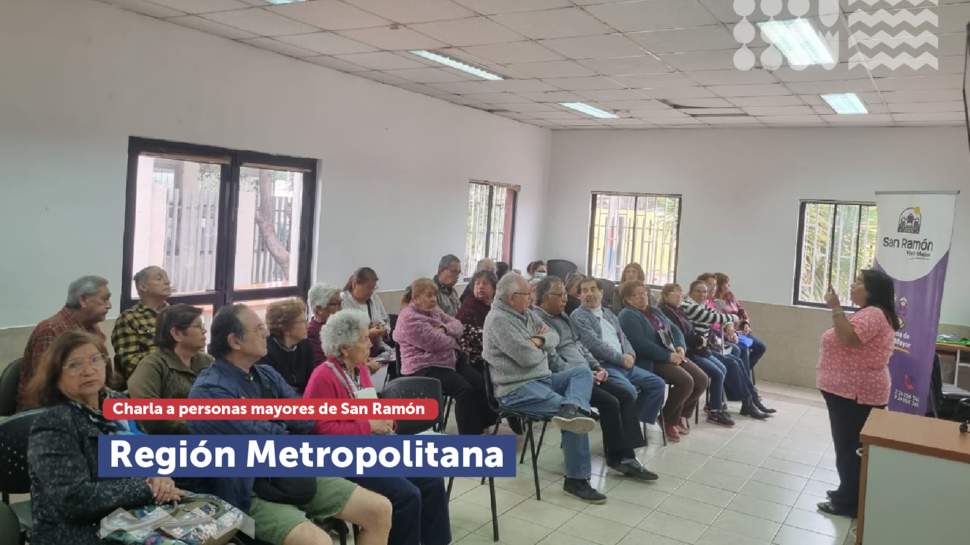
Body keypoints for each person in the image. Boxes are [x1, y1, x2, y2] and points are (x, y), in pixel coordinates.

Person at [188, 304, 392, 545]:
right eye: (259, 328)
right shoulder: (209, 391)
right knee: (319, 541)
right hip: (245, 491)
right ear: (235, 341)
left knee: (379, 509)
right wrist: (283, 424)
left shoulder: (265, 374)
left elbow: (306, 418)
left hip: (289, 473)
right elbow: (267, 441)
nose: (266, 333)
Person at [25, 330, 185, 545]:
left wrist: (160, 477)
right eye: (74, 365)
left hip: (131, 516)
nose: (88, 370)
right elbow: (74, 499)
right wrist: (146, 488)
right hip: (80, 533)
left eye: (95, 360)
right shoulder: (53, 424)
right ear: (56, 375)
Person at [306, 309, 451, 545]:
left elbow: (371, 407)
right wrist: (368, 426)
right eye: (364, 339)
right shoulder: (323, 377)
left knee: (431, 479)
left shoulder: (359, 369)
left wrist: (387, 420)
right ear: (344, 348)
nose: (370, 345)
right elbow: (320, 431)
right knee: (406, 495)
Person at [483, 272, 605, 503]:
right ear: (511, 298)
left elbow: (553, 336)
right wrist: (540, 347)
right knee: (575, 417)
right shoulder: (498, 320)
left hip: (542, 379)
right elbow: (526, 357)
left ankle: (573, 406)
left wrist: (538, 340)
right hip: (516, 389)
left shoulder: (525, 313)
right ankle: (576, 480)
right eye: (527, 294)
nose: (531, 298)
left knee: (581, 373)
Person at [531, 276, 658, 480]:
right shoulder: (538, 320)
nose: (565, 299)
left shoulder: (562, 317)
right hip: (567, 379)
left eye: (565, 294)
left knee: (625, 395)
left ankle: (626, 457)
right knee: (610, 402)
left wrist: (596, 366)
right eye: (560, 295)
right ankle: (618, 457)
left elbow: (579, 345)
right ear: (544, 297)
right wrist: (583, 374)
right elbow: (551, 358)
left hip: (585, 372)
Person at [816, 271, 899, 518]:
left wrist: (835, 307)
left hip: (856, 393)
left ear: (873, 290)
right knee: (850, 446)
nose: (853, 285)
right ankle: (848, 492)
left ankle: (848, 503)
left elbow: (849, 338)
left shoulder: (873, 314)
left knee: (849, 447)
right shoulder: (869, 313)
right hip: (850, 391)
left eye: (859, 282)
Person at [393, 278, 495, 434]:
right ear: (416, 298)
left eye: (435, 295)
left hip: (447, 360)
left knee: (480, 382)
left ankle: (481, 425)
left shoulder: (434, 311)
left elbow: (458, 324)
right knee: (464, 390)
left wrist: (445, 329)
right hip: (424, 367)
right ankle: (469, 437)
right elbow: (435, 343)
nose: (434, 299)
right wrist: (453, 339)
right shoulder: (409, 318)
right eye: (428, 295)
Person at [617, 282, 713, 441]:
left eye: (644, 293)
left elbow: (675, 330)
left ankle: (682, 413)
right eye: (637, 295)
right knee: (686, 381)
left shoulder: (654, 310)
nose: (643, 297)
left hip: (672, 353)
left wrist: (681, 347)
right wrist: (668, 356)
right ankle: (668, 419)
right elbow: (640, 344)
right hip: (650, 359)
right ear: (628, 299)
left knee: (702, 379)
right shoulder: (627, 315)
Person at [569, 278, 667, 429]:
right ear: (579, 296)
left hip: (625, 364)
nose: (589, 293)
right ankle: (629, 428)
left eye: (593, 289)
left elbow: (623, 337)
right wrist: (622, 359)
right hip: (605, 366)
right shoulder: (578, 316)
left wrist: (630, 355)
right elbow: (594, 345)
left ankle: (637, 423)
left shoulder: (608, 313)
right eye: (584, 291)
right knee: (629, 392)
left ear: (601, 292)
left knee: (658, 385)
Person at [20, 275, 112, 410]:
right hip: (53, 411)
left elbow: (103, 383)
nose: (109, 305)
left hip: (91, 406)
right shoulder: (50, 330)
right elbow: (45, 389)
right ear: (83, 300)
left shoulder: (92, 328)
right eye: (104, 299)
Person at [681, 280, 770, 419]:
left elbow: (721, 315)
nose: (702, 294)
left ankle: (749, 400)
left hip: (706, 347)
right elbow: (714, 317)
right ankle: (744, 402)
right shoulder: (688, 306)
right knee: (731, 361)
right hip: (695, 350)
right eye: (698, 291)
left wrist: (731, 323)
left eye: (704, 291)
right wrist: (733, 319)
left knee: (737, 360)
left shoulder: (709, 303)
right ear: (690, 292)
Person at [127, 304, 213, 434]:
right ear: (177, 333)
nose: (204, 331)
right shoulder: (152, 365)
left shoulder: (207, 361)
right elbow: (147, 412)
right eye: (198, 326)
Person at [657, 284, 735, 427]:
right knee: (713, 374)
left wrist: (700, 340)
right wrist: (698, 340)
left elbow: (688, 330)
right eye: (676, 294)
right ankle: (711, 410)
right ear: (666, 295)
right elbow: (680, 334)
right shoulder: (668, 310)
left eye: (680, 293)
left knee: (723, 368)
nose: (679, 296)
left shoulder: (679, 309)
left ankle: (708, 407)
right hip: (688, 352)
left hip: (698, 349)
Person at [112, 266, 172, 381]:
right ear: (143, 287)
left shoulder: (179, 314)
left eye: (166, 278)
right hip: (150, 381)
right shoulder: (129, 318)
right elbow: (130, 363)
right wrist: (170, 354)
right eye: (159, 278)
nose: (167, 282)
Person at [257, 297, 321, 394]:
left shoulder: (305, 345)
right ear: (285, 327)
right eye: (302, 322)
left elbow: (311, 382)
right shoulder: (265, 351)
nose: (307, 325)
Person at [713, 272, 768, 372]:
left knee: (761, 347)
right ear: (720, 285)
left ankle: (744, 372)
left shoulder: (730, 296)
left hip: (740, 331)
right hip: (728, 334)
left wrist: (746, 323)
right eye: (727, 283)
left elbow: (741, 311)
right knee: (743, 348)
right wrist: (729, 331)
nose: (729, 286)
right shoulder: (714, 301)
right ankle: (743, 375)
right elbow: (719, 321)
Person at [341, 267, 394, 361]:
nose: (371, 291)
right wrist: (368, 333)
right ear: (354, 284)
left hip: (378, 350)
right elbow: (343, 333)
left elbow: (385, 320)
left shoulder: (374, 298)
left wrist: (383, 330)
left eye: (374, 288)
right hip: (354, 353)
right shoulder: (342, 301)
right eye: (368, 288)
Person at [456, 269, 497, 367]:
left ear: (494, 288)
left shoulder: (495, 306)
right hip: (472, 357)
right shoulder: (469, 305)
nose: (480, 287)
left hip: (490, 352)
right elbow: (475, 337)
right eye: (477, 284)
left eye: (485, 283)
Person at [306, 283, 342, 362]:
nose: (341, 308)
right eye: (335, 304)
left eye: (341, 303)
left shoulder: (339, 326)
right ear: (319, 310)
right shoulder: (311, 333)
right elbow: (321, 366)